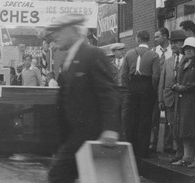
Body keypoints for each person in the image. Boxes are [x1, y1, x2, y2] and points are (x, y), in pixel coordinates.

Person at [46, 14, 120, 183]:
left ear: (73, 32)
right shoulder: (69, 58)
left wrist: (110, 128)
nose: (56, 36)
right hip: (73, 134)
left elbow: (108, 93)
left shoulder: (92, 54)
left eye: (60, 32)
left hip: (91, 133)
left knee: (58, 176)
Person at [121, 30, 160, 158]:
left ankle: (131, 148)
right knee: (145, 119)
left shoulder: (129, 54)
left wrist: (129, 87)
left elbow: (123, 75)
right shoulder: (154, 56)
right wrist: (152, 90)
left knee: (131, 118)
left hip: (132, 86)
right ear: (148, 40)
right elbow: (155, 76)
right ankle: (142, 150)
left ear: (137, 39)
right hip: (147, 86)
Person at [171, 37, 195, 168]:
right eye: (186, 49)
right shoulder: (183, 63)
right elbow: (177, 79)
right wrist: (176, 85)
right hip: (183, 101)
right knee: (184, 129)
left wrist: (183, 88)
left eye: (191, 49)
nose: (188, 51)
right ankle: (187, 157)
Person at [158, 30, 187, 163]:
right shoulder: (168, 61)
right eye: (172, 42)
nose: (174, 45)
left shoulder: (188, 60)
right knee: (172, 126)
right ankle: (178, 151)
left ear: (183, 44)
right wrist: (160, 99)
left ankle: (184, 153)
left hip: (183, 99)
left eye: (177, 42)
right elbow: (162, 81)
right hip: (169, 98)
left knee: (182, 125)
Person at [150, 27, 174, 154]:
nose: (155, 39)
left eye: (157, 36)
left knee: (170, 118)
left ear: (165, 36)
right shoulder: (153, 51)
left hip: (168, 88)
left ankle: (168, 145)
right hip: (155, 88)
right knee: (154, 117)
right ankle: (152, 144)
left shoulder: (173, 51)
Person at [110, 42, 128, 140]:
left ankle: (124, 137)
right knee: (115, 115)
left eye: (122, 50)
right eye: (119, 50)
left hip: (125, 91)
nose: (122, 52)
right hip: (115, 92)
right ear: (114, 52)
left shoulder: (127, 62)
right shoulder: (111, 65)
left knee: (124, 116)